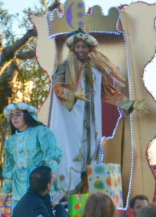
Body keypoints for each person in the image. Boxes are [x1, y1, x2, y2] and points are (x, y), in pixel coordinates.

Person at [50, 27, 149, 198]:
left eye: (84, 46)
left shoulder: (95, 70)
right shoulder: (65, 66)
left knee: (90, 156)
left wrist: (127, 103)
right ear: (73, 49)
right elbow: (57, 87)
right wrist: (71, 95)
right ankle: (67, 197)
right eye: (78, 47)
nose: (81, 50)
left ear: (89, 48)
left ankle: (88, 197)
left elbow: (108, 92)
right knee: (71, 155)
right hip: (71, 123)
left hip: (91, 125)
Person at [0, 103, 63, 211]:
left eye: (18, 114)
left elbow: (51, 153)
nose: (14, 118)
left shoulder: (41, 132)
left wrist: (52, 172)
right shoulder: (10, 142)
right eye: (11, 115)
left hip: (40, 184)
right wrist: (4, 192)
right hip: (18, 188)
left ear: (28, 115)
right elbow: (9, 169)